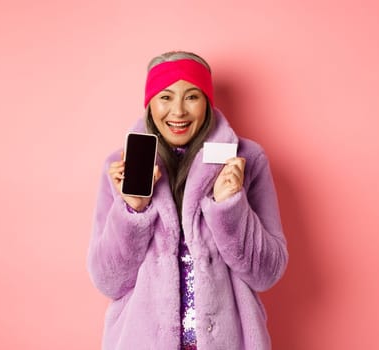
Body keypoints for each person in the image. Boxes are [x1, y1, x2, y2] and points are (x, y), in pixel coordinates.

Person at [86, 51, 288, 349]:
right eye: (165, 97)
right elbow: (108, 281)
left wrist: (229, 207)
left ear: (207, 102)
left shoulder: (247, 160)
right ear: (150, 104)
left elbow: (267, 273)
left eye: (192, 96)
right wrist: (132, 210)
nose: (178, 111)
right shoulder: (121, 168)